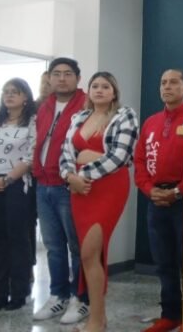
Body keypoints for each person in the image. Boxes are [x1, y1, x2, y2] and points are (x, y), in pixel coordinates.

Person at [60, 71, 139, 332]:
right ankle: (98, 318)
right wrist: (70, 177)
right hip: (79, 191)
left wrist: (83, 170)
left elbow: (120, 157)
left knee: (88, 252)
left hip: (109, 188)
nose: (100, 90)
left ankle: (95, 320)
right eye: (95, 86)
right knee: (90, 256)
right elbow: (66, 153)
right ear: (89, 90)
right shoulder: (78, 117)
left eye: (106, 86)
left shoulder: (125, 115)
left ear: (114, 92)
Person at [136, 69, 183, 332]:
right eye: (163, 82)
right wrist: (149, 190)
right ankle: (170, 315)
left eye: (174, 82)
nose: (167, 87)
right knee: (163, 262)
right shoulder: (151, 122)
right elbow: (140, 161)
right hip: (155, 201)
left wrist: (178, 191)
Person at [32, 57, 89, 324]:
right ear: (49, 78)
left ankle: (81, 299)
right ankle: (58, 296)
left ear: (78, 78)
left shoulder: (87, 104)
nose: (62, 78)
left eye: (68, 73)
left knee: (77, 247)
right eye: (56, 74)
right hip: (43, 185)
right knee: (53, 246)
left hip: (70, 185)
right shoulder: (45, 105)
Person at [0, 78, 37, 312]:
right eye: (6, 92)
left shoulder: (32, 122)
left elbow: (31, 156)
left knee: (18, 239)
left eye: (15, 92)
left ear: (25, 97)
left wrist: (8, 179)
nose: (9, 95)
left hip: (17, 184)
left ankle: (19, 293)